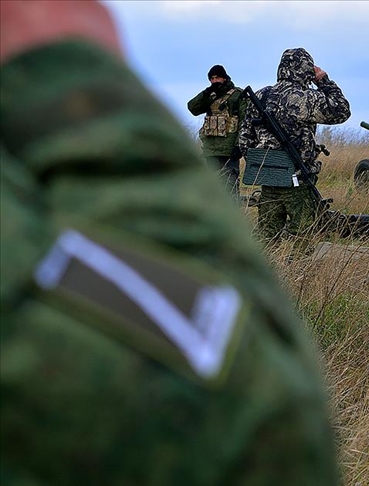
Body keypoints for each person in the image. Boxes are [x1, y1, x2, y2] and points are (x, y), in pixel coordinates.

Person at [0, 2, 340, 484]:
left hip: (257, 171)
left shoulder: (256, 95)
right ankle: (301, 275)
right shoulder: (275, 97)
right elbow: (267, 417)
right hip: (265, 171)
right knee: (296, 232)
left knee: (266, 229)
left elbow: (245, 131)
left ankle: (289, 269)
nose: (220, 82)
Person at [238, 48, 350, 245]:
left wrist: (264, 164)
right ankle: (299, 273)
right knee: (304, 235)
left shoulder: (261, 95)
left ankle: (268, 273)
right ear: (306, 70)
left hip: (267, 177)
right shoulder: (305, 97)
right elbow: (342, 111)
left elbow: (244, 140)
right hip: (297, 179)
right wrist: (323, 81)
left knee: (266, 237)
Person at [187, 64, 247, 201]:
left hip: (229, 151)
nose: (215, 81)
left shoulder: (237, 95)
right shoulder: (210, 95)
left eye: (218, 77)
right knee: (212, 190)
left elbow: (244, 122)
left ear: (224, 78)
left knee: (230, 189)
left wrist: (239, 145)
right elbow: (193, 108)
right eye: (212, 78)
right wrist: (206, 93)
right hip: (210, 150)